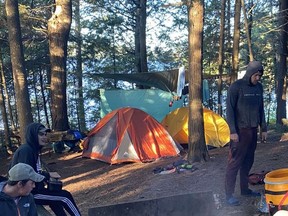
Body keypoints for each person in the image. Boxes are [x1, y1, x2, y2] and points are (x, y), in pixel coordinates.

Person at [10, 122, 81, 216]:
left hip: (35, 189)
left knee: (57, 199)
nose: (44, 137)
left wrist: (47, 179)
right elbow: (26, 175)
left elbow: (35, 171)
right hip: (27, 193)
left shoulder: (33, 150)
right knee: (65, 197)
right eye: (41, 134)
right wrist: (48, 175)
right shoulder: (26, 151)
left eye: (45, 134)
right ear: (33, 135)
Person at [225, 61, 268, 206]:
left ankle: (245, 190)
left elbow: (261, 108)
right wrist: (232, 131)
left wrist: (264, 128)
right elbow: (229, 110)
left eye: (260, 75)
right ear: (250, 73)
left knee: (248, 162)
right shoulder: (236, 87)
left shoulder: (259, 88)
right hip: (240, 132)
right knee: (234, 163)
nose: (258, 78)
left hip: (252, 131)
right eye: (256, 75)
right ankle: (229, 195)